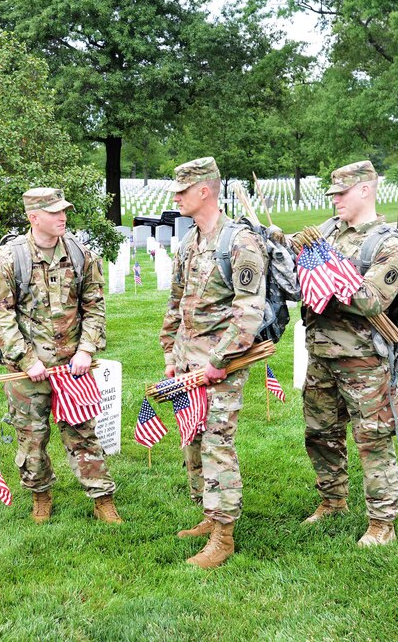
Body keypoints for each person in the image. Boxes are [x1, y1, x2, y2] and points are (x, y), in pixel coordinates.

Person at [0, 187, 122, 525]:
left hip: (72, 367)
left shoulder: (80, 254)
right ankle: (41, 496)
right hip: (27, 371)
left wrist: (87, 348)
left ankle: (102, 498)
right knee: (31, 438)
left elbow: (94, 305)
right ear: (34, 218)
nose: (62, 217)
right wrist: (25, 359)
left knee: (83, 434)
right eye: (54, 212)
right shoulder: (9, 259)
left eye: (64, 211)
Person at [160, 157, 266, 569]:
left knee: (217, 443)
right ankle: (208, 514)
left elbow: (249, 311)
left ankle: (224, 536)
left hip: (222, 367)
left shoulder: (239, 242)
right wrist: (171, 354)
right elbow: (175, 303)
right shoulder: (190, 242)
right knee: (193, 442)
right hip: (189, 365)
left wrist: (221, 361)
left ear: (204, 191)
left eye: (182, 190)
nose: (176, 197)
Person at [299, 160, 398, 546]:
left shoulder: (388, 244)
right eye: (333, 194)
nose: (336, 201)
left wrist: (334, 276)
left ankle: (382, 522)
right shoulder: (327, 232)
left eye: (342, 193)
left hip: (364, 360)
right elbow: (301, 280)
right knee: (320, 434)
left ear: (365, 190)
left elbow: (374, 299)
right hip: (321, 352)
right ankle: (332, 500)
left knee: (373, 439)